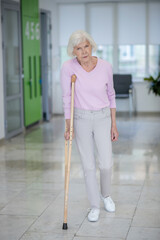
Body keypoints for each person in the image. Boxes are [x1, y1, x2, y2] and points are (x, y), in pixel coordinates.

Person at [60, 30, 119, 222]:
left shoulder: (105, 67)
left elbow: (111, 95)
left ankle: (106, 195)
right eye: (78, 48)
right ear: (73, 51)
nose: (84, 51)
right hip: (81, 118)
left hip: (103, 117)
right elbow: (66, 98)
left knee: (106, 162)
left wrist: (113, 124)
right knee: (88, 166)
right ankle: (94, 206)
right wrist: (69, 125)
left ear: (91, 46)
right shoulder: (68, 68)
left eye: (86, 46)